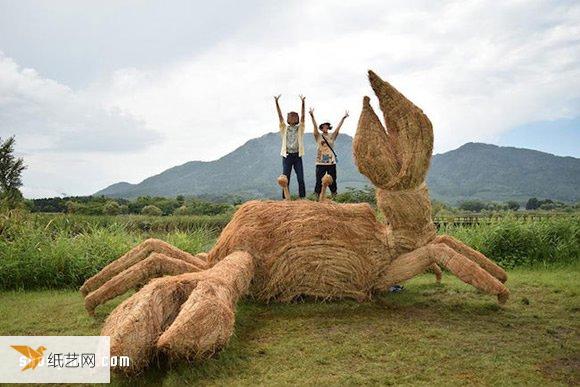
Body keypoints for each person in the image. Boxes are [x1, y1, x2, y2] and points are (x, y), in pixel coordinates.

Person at [309, 108, 349, 197]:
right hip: (320, 162)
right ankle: (316, 196)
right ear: (321, 127)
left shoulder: (332, 136)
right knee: (319, 180)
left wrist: (343, 118)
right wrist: (312, 116)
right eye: (323, 126)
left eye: (326, 125)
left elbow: (338, 128)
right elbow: (314, 127)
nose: (325, 127)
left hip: (331, 161)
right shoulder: (318, 136)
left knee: (333, 180)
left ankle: (334, 195)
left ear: (328, 127)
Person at [275, 94, 306, 199]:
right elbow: (280, 117)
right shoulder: (285, 128)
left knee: (300, 178)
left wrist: (303, 103)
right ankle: (285, 198)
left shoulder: (300, 128)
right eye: (291, 116)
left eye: (294, 116)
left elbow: (303, 118)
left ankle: (302, 198)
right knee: (285, 178)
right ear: (288, 118)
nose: (292, 117)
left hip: (297, 155)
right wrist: (277, 103)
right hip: (287, 155)